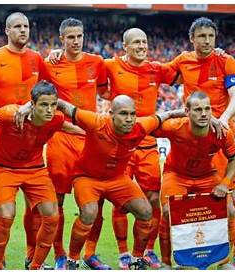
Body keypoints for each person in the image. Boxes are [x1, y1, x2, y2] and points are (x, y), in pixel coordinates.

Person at [54, 95, 184, 270]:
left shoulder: (140, 126)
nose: (129, 119)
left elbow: (165, 115)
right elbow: (63, 105)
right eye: (123, 114)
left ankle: (137, 258)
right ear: (111, 114)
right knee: (89, 212)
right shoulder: (95, 122)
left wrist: (186, 112)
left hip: (117, 178)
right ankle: (73, 259)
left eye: (132, 114)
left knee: (145, 212)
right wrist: (27, 107)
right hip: (87, 177)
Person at [167, 17, 235, 269]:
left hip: (220, 137)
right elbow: (155, 72)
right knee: (188, 205)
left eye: (211, 36)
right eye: (201, 36)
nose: (207, 41)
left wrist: (222, 120)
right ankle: (186, 256)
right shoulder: (182, 60)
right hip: (192, 135)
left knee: (233, 198)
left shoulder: (226, 60)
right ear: (192, 38)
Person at [0, 12, 52, 269]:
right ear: (7, 30)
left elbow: (47, 90)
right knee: (0, 208)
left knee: (35, 208)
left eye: (26, 26)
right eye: (17, 26)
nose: (23, 30)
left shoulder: (37, 59)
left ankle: (32, 254)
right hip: (1, 141)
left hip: (31, 143)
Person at [0, 81, 84, 270]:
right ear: (32, 104)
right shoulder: (10, 113)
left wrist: (94, 133)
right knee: (5, 215)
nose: (49, 110)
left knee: (52, 216)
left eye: (53, 105)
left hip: (35, 169)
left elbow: (69, 128)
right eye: (44, 105)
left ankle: (35, 266)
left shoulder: (55, 119)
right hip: (4, 168)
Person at [104, 28, 178, 269]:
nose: (141, 46)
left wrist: (215, 51)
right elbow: (83, 68)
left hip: (147, 142)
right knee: (120, 200)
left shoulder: (156, 69)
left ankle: (146, 250)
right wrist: (56, 52)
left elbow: (185, 70)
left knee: (154, 198)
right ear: (125, 46)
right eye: (136, 42)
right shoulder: (110, 65)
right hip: (120, 144)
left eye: (144, 41)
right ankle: (123, 252)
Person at [41, 17, 109, 270]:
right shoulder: (50, 65)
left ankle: (89, 253)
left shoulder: (97, 62)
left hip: (90, 140)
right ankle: (59, 255)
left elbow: (106, 90)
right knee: (56, 201)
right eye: (70, 36)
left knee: (96, 201)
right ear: (62, 39)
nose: (76, 40)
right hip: (61, 139)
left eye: (79, 35)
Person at [153, 91, 235, 270]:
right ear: (187, 111)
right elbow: (149, 124)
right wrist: (172, 113)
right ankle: (166, 263)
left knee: (230, 210)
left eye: (207, 109)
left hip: (207, 175)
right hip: (176, 174)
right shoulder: (175, 126)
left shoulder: (222, 132)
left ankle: (224, 262)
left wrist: (224, 183)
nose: (203, 113)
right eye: (198, 109)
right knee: (169, 212)